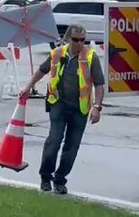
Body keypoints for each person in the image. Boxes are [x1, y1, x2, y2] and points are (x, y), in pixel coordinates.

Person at [19, 25, 105, 194]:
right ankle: (45, 176)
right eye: (76, 40)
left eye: (83, 40)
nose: (80, 43)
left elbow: (99, 84)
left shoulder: (90, 57)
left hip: (80, 108)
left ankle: (60, 179)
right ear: (67, 39)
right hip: (58, 103)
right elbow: (42, 71)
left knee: (72, 146)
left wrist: (97, 107)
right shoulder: (57, 54)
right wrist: (28, 86)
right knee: (54, 140)